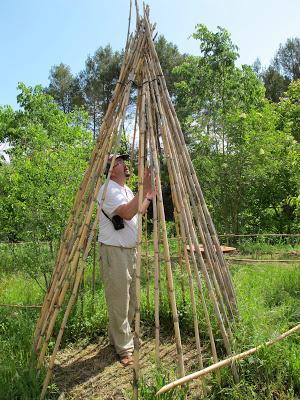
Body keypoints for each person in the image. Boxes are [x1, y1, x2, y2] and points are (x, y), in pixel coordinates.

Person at [97, 154, 154, 367]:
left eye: (123, 161)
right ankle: (124, 349)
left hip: (129, 250)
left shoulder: (126, 190)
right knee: (119, 300)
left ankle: (118, 339)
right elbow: (128, 213)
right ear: (111, 170)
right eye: (119, 162)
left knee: (131, 300)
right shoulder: (108, 190)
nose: (125, 164)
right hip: (115, 251)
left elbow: (138, 209)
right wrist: (144, 188)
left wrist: (147, 195)